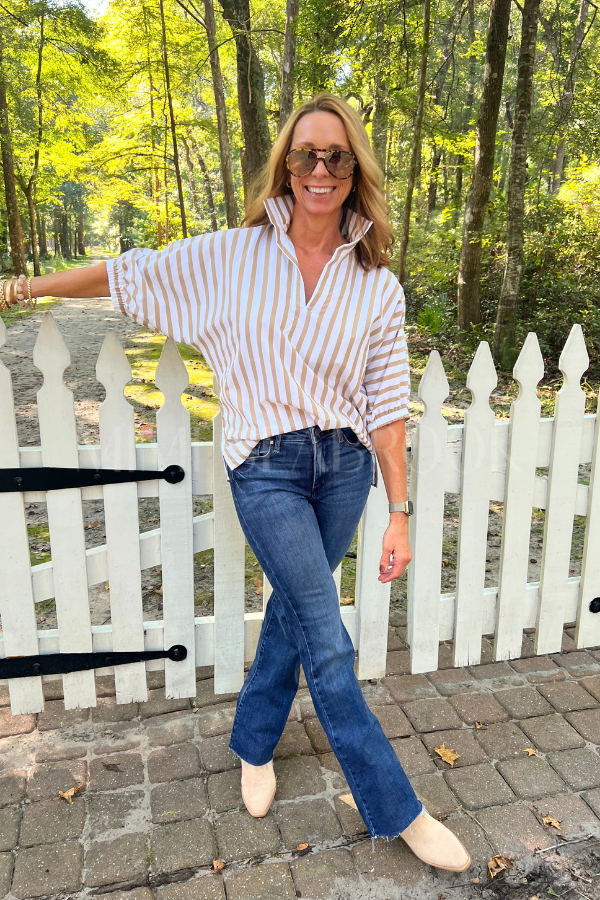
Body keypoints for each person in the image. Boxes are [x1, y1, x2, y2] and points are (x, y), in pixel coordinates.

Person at [1, 93, 470, 872]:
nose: (320, 169)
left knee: (295, 610)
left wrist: (400, 511)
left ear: (355, 170)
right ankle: (400, 809)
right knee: (326, 636)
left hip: (346, 467)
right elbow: (127, 274)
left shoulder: (376, 285)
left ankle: (253, 742)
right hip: (266, 466)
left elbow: (388, 409)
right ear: (285, 165)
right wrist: (24, 289)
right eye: (306, 154)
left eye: (337, 156)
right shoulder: (230, 256)